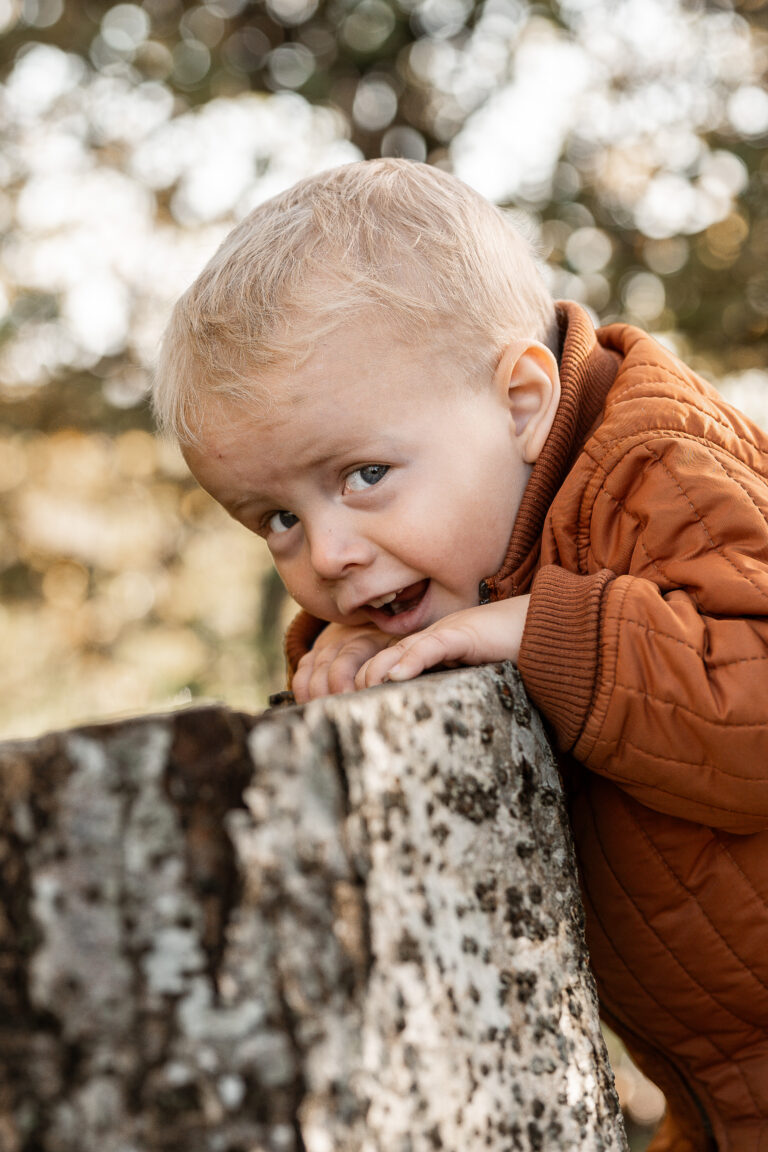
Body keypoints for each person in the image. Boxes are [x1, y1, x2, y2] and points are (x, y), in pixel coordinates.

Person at [154, 158, 768, 1152]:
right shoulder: (459, 554)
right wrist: (344, 661)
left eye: (363, 474)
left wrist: (550, 632)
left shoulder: (659, 472)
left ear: (521, 402)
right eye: (277, 518)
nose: (329, 554)